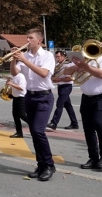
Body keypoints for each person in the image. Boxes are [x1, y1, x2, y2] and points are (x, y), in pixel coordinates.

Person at [10, 28, 56, 181]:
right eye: (27, 37)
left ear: (39, 41)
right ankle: (41, 164)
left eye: (30, 38)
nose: (27, 40)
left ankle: (49, 165)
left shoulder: (47, 56)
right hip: (30, 96)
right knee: (34, 133)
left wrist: (24, 60)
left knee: (38, 131)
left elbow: (43, 73)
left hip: (44, 96)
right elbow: (15, 73)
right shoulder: (27, 55)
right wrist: (13, 59)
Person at [64, 41, 102, 171]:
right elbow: (66, 71)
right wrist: (76, 67)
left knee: (100, 123)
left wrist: (85, 67)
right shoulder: (82, 59)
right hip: (87, 97)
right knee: (88, 129)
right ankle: (93, 158)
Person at [48, 50, 79, 130]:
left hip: (67, 86)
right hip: (61, 86)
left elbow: (70, 78)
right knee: (68, 106)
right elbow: (54, 75)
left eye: (58, 57)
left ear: (63, 56)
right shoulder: (57, 65)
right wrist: (53, 79)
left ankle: (54, 123)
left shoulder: (69, 64)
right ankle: (74, 123)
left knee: (59, 104)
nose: (57, 58)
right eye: (56, 57)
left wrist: (59, 80)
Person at [7, 73, 28, 138]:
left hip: (21, 98)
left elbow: (21, 87)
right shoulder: (14, 76)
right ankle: (19, 132)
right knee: (15, 115)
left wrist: (11, 83)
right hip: (15, 97)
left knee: (22, 115)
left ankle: (35, 126)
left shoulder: (21, 76)